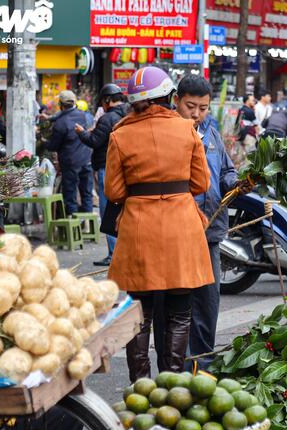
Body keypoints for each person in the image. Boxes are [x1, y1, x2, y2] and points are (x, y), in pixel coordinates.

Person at [106, 66, 214, 380]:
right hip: (182, 227)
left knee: (139, 313)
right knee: (180, 312)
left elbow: (113, 191)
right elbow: (201, 183)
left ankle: (140, 384)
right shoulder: (187, 130)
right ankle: (172, 381)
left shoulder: (120, 134)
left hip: (139, 228)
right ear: (168, 97)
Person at [174, 74, 243, 371]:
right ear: (176, 101)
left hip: (211, 231)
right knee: (182, 300)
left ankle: (205, 361)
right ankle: (182, 362)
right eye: (191, 106)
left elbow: (226, 171)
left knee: (209, 298)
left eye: (203, 108)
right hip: (180, 230)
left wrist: (238, 183)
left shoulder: (211, 134)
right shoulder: (170, 134)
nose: (197, 114)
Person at [75, 83, 130, 267]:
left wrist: (82, 133)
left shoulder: (108, 118)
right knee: (121, 209)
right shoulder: (129, 114)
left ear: (107, 100)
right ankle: (123, 251)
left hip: (107, 167)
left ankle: (114, 253)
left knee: (108, 211)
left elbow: (94, 140)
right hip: (125, 168)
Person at [45, 90, 93, 216]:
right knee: (87, 193)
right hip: (86, 159)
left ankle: (73, 221)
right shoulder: (84, 116)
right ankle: (88, 222)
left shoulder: (60, 123)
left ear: (61, 104)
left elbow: (53, 145)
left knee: (70, 194)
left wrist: (44, 141)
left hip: (70, 163)